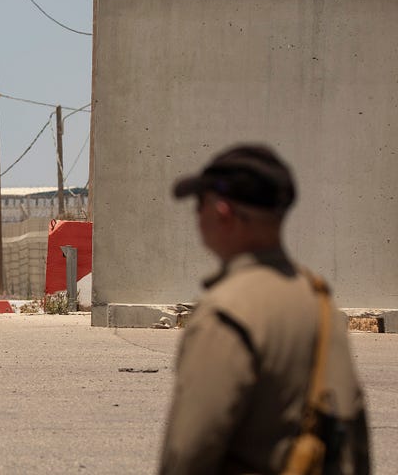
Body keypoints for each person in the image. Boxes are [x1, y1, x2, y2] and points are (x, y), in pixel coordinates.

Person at [159, 144, 371, 474]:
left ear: (221, 210)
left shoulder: (225, 313)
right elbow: (354, 440)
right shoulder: (319, 302)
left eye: (199, 204)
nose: (196, 216)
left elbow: (187, 453)